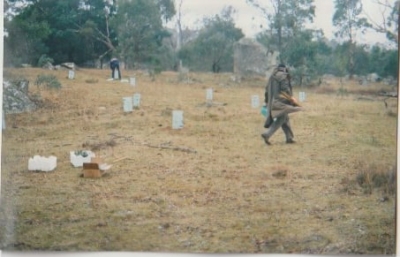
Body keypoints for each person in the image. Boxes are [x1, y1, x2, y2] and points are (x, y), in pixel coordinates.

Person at [261, 64, 302, 145]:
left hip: (272, 101)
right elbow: (285, 89)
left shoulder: (272, 77)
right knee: (281, 119)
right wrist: (291, 99)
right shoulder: (283, 76)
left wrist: (266, 101)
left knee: (285, 118)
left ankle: (289, 138)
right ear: (284, 69)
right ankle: (267, 134)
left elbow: (266, 90)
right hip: (281, 101)